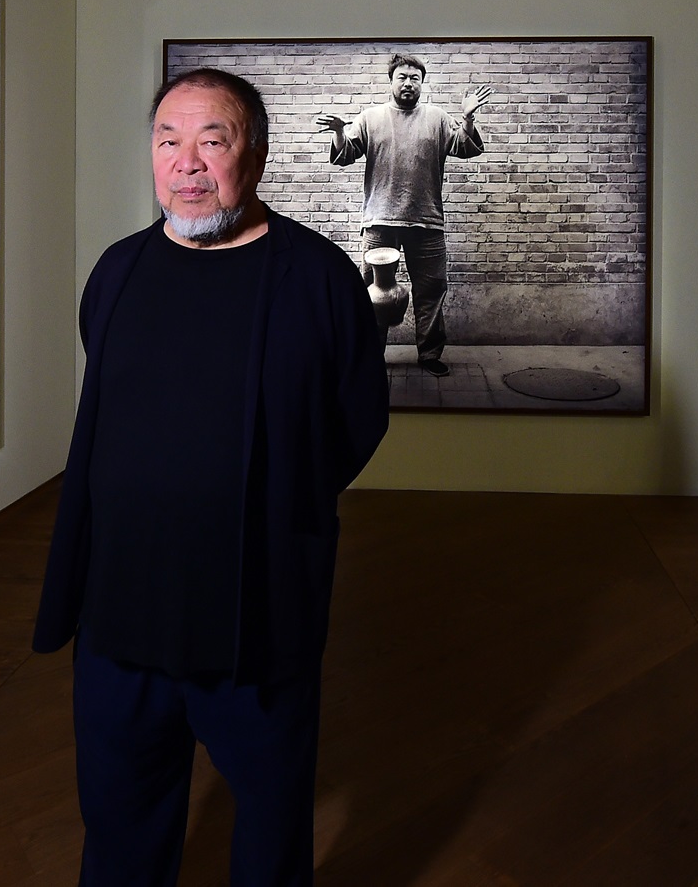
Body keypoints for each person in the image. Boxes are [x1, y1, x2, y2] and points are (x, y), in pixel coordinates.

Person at [33, 67, 389, 887]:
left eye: (211, 140)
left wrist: (278, 502)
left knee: (270, 830)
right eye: (168, 140)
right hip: (120, 619)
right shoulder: (118, 270)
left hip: (255, 621)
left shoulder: (318, 277)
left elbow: (357, 419)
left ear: (253, 155)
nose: (186, 162)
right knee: (119, 827)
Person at [315, 53, 491, 377]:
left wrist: (467, 119)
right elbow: (345, 155)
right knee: (372, 292)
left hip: (427, 221)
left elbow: (465, 148)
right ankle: (370, 356)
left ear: (421, 83)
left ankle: (429, 354)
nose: (408, 83)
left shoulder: (437, 118)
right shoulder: (371, 118)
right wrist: (339, 132)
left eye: (415, 78)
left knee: (432, 291)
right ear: (391, 81)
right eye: (402, 77)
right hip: (380, 221)